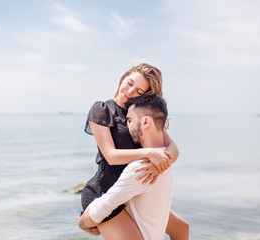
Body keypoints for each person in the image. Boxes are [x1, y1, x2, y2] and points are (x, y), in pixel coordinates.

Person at [80, 63, 189, 239]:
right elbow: (111, 155)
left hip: (135, 192)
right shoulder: (102, 110)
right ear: (123, 77)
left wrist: (159, 165)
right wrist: (147, 154)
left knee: (182, 228)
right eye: (130, 83)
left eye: (139, 91)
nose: (130, 92)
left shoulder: (141, 114)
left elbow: (173, 149)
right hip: (106, 190)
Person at [79, 94, 173, 240]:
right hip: (100, 191)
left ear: (146, 121)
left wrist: (82, 223)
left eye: (129, 120)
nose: (126, 126)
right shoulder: (163, 159)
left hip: (107, 199)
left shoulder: (147, 166)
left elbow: (101, 207)